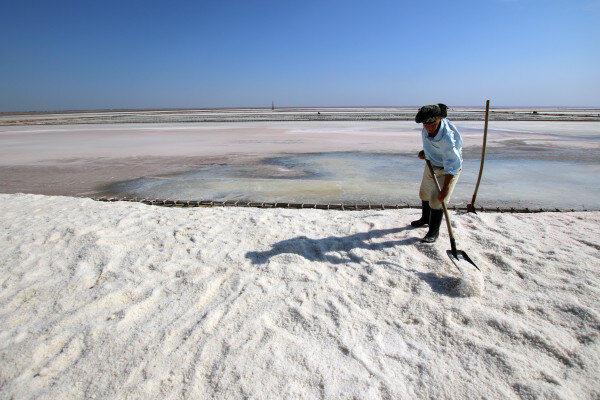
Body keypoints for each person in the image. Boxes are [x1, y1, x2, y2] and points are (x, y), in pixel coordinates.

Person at [411, 103, 463, 243]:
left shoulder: (447, 138)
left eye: (432, 124)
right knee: (424, 193)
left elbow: (453, 164)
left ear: (439, 119)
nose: (428, 127)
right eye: (425, 124)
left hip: (448, 170)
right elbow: (430, 143)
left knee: (436, 200)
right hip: (431, 163)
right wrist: (426, 152)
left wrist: (445, 188)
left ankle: (434, 232)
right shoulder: (426, 125)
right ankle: (425, 219)